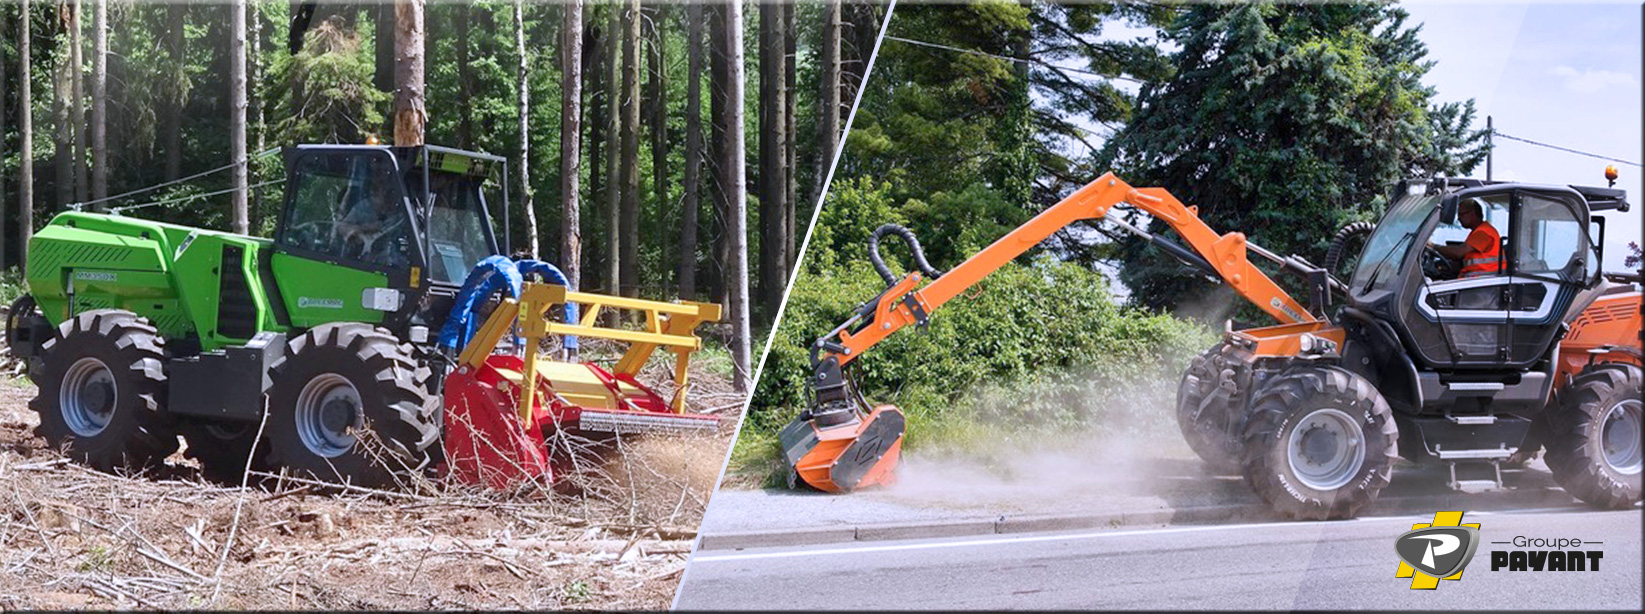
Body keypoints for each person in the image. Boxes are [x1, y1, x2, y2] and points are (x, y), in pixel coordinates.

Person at [1431, 199, 1502, 279]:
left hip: (1483, 282)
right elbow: (1468, 260)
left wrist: (1433, 246)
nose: (1458, 219)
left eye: (1461, 214)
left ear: (1472, 214)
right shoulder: (1478, 232)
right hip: (1477, 279)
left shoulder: (1483, 233)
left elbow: (1458, 253)